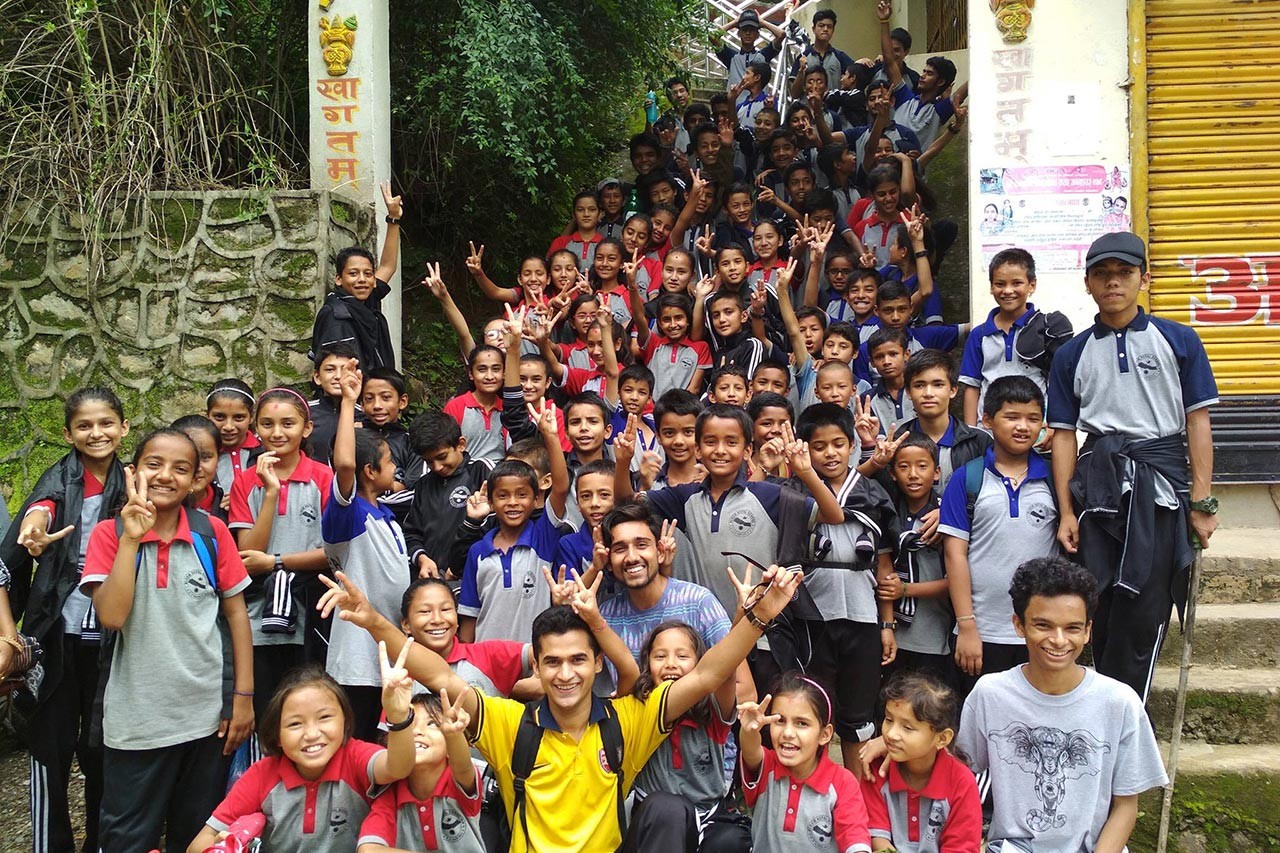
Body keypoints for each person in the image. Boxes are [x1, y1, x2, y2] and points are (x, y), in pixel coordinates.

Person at [315, 557, 805, 853]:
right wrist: (374, 621)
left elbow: (708, 674)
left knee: (664, 809)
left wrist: (758, 616)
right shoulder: (511, 723)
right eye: (551, 662)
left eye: (577, 660)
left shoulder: (628, 719)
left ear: (597, 664)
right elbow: (441, 674)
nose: (565, 674)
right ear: (538, 666)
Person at [1049, 231, 1219, 701]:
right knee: (1097, 603)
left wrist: (1202, 501)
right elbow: (1063, 434)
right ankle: (1105, 716)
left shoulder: (1178, 340)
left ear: (1144, 278)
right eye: (1102, 274)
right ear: (1087, 283)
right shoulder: (1071, 353)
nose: (1113, 283)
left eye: (1124, 273)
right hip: (1097, 490)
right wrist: (1066, 511)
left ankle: (1130, 720)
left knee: (1146, 607)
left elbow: (1197, 422)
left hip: (1161, 489)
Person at [83, 430, 255, 852]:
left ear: (196, 480)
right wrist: (131, 538)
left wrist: (243, 697)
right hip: (136, 723)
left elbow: (236, 615)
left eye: (181, 469)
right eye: (154, 464)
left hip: (205, 718)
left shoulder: (211, 533)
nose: (165, 476)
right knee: (127, 836)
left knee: (196, 833)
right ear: (133, 472)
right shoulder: (108, 534)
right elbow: (112, 617)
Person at [956, 558, 1169, 852]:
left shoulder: (1119, 702)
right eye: (1043, 625)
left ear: (1088, 631)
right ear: (1019, 625)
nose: (1058, 640)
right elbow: (959, 774)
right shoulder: (990, 694)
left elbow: (1126, 806)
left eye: (1072, 628)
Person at [1, 387, 130, 853]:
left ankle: (101, 842)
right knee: (49, 745)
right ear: (67, 433)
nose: (96, 433)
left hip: (113, 636)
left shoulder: (132, 481)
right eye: (84, 425)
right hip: (57, 632)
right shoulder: (57, 479)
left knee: (103, 746)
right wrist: (34, 531)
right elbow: (39, 514)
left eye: (106, 423)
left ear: (123, 427)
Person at [615, 403, 845, 618]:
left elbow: (834, 516)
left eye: (731, 442)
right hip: (707, 626)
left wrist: (806, 472)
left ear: (747, 450)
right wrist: (624, 462)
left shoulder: (769, 495)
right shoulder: (685, 498)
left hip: (762, 628)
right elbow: (625, 503)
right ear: (698, 449)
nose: (720, 450)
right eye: (710, 442)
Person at [186, 655, 418, 853]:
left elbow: (398, 767)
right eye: (295, 724)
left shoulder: (355, 756)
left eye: (324, 717)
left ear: (345, 722)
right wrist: (223, 846)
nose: (311, 734)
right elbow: (197, 844)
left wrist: (398, 716)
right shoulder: (262, 774)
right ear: (277, 735)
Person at [791, 403, 901, 773]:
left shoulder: (872, 492)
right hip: (812, 618)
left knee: (858, 716)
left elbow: (883, 564)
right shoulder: (796, 492)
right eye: (819, 446)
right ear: (805, 449)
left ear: (852, 445)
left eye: (838, 444)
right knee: (812, 708)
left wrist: (887, 624)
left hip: (863, 615)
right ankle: (813, 789)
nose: (830, 453)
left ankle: (857, 793)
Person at [939, 376, 1058, 695]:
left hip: (1041, 633)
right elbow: (954, 555)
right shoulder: (968, 478)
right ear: (988, 420)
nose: (1023, 427)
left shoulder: (1054, 479)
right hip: (982, 632)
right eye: (1012, 417)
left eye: (1033, 418)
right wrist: (966, 625)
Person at [229, 388, 333, 731]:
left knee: (309, 705)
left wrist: (275, 562)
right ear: (255, 429)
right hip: (259, 611)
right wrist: (270, 492)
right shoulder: (245, 482)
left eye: (288, 423)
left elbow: (332, 554)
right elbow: (248, 552)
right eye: (267, 424)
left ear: (307, 428)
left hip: (312, 609)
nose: (277, 433)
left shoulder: (323, 478)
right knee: (267, 711)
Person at [322, 360, 413, 740]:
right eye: (389, 461)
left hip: (389, 653)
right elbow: (345, 464)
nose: (395, 468)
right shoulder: (349, 514)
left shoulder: (387, 514)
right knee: (357, 745)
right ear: (370, 472)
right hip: (358, 662)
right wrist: (348, 402)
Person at [624, 621, 750, 853]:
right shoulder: (643, 709)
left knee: (732, 841)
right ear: (647, 664)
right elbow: (623, 668)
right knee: (668, 808)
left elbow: (726, 668)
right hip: (656, 820)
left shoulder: (713, 710)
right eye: (660, 656)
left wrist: (743, 618)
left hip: (707, 815)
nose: (670, 664)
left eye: (682, 656)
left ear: (700, 664)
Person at [457, 401, 570, 644]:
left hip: (534, 657)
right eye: (502, 495)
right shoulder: (478, 551)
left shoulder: (543, 538)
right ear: (490, 501)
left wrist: (550, 436)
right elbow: (469, 619)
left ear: (536, 498)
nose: (512, 503)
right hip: (486, 659)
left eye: (521, 495)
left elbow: (561, 488)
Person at [737, 672, 872, 852]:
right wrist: (749, 730)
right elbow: (750, 750)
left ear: (825, 734)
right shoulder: (767, 766)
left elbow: (854, 835)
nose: (788, 733)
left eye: (801, 723)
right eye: (780, 721)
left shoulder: (843, 782)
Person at [857, 672, 982, 852]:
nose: (891, 734)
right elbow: (876, 837)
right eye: (889, 720)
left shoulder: (961, 782)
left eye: (907, 728)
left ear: (942, 738)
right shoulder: (877, 770)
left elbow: (961, 847)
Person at [961, 247, 1072, 439]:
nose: (1008, 291)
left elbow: (1058, 382)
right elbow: (972, 386)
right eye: (1000, 284)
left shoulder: (1046, 330)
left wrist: (1054, 424)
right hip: (989, 433)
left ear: (1032, 285)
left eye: (1017, 283)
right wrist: (971, 433)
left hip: (1034, 431)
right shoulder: (979, 335)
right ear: (991, 286)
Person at [355, 690, 484, 852]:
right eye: (409, 724)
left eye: (432, 724)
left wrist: (454, 735)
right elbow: (369, 850)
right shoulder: (390, 794)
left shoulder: (457, 780)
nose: (417, 731)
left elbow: (463, 767)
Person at [880, 434, 952, 682]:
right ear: (892, 473)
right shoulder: (888, 512)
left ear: (937, 472)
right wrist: (887, 626)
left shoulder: (947, 515)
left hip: (935, 630)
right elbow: (885, 575)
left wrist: (906, 589)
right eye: (903, 467)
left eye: (922, 466)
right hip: (896, 631)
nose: (913, 474)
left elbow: (959, 581)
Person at [310, 181, 402, 370]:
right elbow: (335, 371)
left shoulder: (365, 302)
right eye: (353, 273)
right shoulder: (335, 316)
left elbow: (388, 266)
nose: (362, 279)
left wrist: (393, 218)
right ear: (338, 279)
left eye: (368, 274)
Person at [402, 413, 494, 582]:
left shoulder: (481, 471)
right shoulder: (423, 485)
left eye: (442, 457)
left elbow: (497, 525)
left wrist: (462, 564)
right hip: (433, 581)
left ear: (461, 444)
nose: (437, 467)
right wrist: (422, 558)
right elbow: (412, 533)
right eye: (429, 462)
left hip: (474, 576)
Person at [898, 349, 991, 490]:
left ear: (953, 390)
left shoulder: (978, 441)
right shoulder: (897, 441)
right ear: (908, 392)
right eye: (919, 385)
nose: (928, 393)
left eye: (938, 385)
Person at [443, 346, 505, 465]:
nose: (489, 376)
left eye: (496, 369)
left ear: (504, 373)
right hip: (465, 471)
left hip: (501, 473)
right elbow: (444, 446)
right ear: (471, 374)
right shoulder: (456, 406)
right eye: (482, 370)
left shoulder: (508, 408)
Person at [205, 378, 258, 497]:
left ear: (251, 417)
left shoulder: (266, 452)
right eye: (219, 417)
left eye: (238, 417)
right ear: (207, 415)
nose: (228, 427)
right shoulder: (200, 455)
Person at [171, 414, 226, 521]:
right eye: (186, 457)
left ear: (218, 457)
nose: (197, 467)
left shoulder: (227, 508)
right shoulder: (153, 507)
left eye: (205, 457)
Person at [714, 8, 785, 89]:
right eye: (744, 30)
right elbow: (713, 36)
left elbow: (781, 34)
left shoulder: (764, 56)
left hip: (758, 98)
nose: (748, 33)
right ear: (739, 33)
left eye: (752, 30)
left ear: (757, 35)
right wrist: (735, 22)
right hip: (735, 97)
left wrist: (762, 22)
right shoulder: (731, 57)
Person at [789, 9, 854, 95]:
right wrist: (801, 71)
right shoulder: (803, 57)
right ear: (813, 29)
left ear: (833, 30)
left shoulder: (840, 57)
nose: (825, 29)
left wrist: (860, 62)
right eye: (821, 26)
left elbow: (855, 78)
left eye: (829, 27)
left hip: (833, 103)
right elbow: (794, 94)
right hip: (808, 103)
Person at [548, 189, 603, 274]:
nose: (586, 214)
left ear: (599, 214)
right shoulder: (561, 242)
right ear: (574, 214)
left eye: (592, 210)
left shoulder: (606, 244)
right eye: (580, 210)